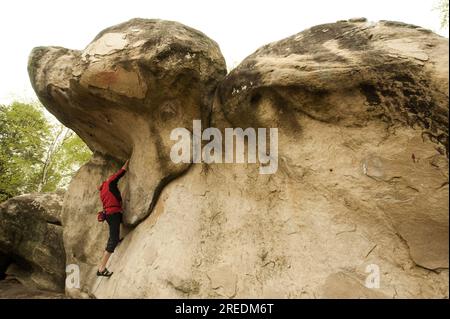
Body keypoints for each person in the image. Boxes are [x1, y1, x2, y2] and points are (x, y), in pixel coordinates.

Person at [96, 159, 129, 277]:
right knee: (112, 240)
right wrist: (127, 163)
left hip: (110, 214)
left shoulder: (102, 189)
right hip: (113, 213)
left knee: (114, 234)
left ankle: (116, 238)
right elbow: (121, 173)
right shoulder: (110, 182)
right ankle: (101, 269)